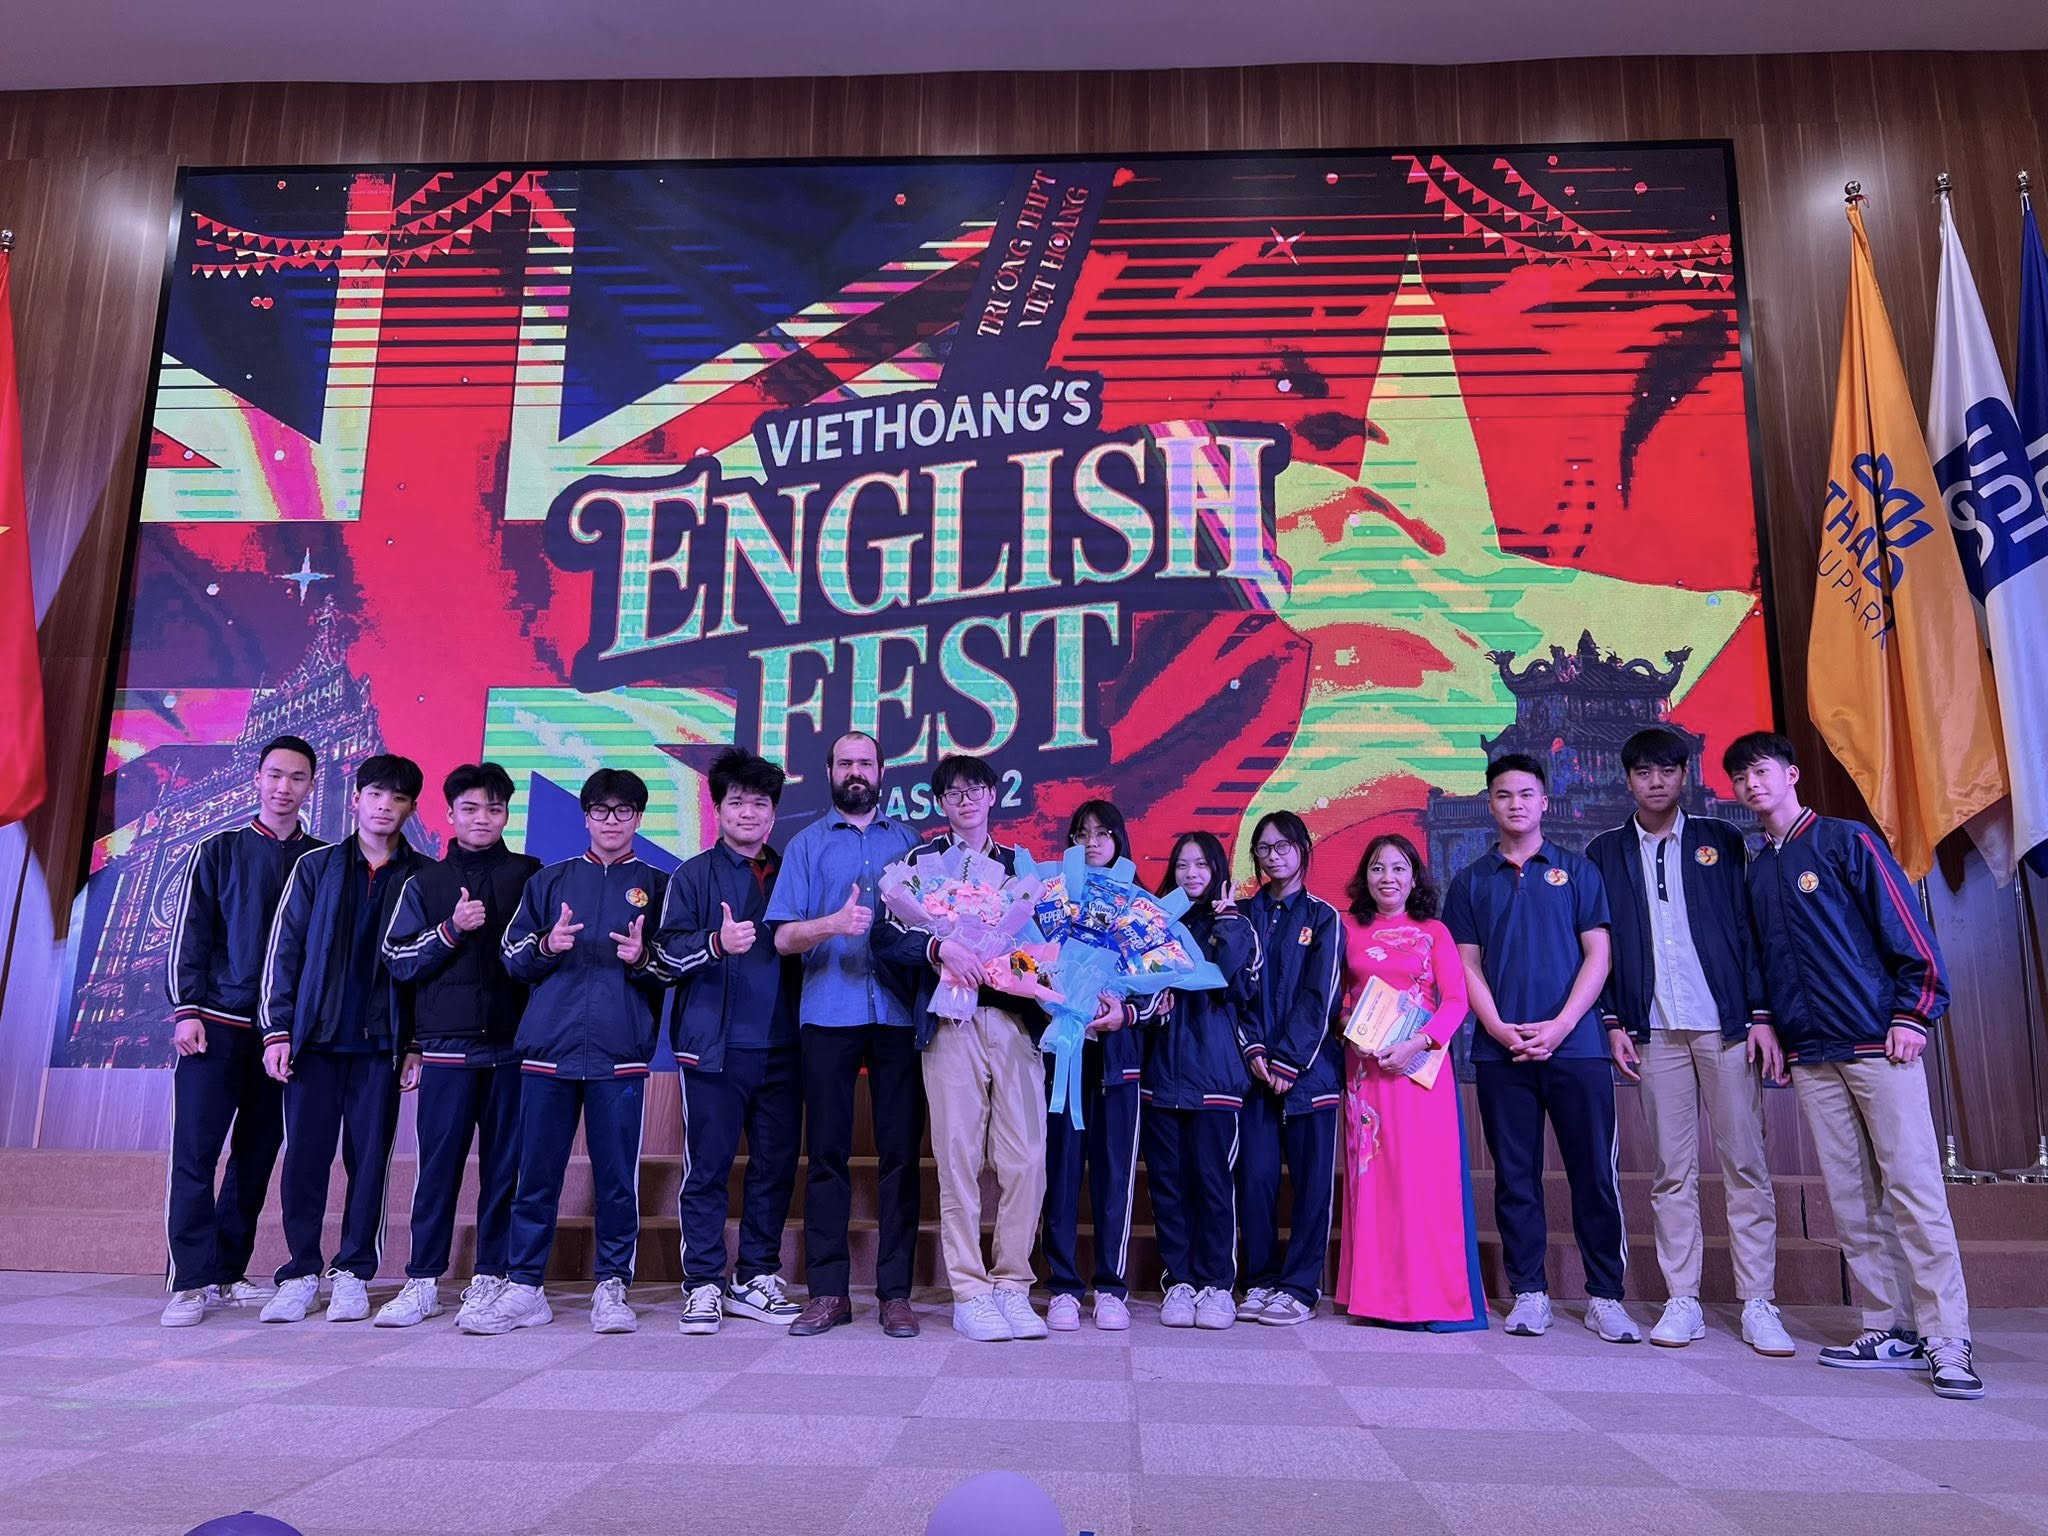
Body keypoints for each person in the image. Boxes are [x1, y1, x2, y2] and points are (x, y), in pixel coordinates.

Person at [1724, 731, 1982, 1400]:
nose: (1752, 785)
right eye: (1741, 778)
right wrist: (1766, 1021)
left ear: (1790, 774)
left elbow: (1907, 930)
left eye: (1761, 771)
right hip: (1812, 1056)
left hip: (1878, 1044)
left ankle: (1947, 1336)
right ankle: (1888, 1325)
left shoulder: (1846, 842)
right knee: (1852, 1197)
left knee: (1914, 1188)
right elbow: (1760, 958)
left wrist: (1912, 1013)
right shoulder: (1758, 868)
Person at [1586, 727, 1794, 1356]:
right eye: (1643, 772)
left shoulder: (1722, 840)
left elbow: (1751, 930)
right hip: (1653, 1032)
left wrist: (1760, 1014)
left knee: (1745, 1165)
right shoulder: (1604, 851)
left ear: (1684, 775)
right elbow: (1599, 945)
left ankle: (1758, 1301)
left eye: (1667, 770)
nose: (1656, 782)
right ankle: (1684, 1298)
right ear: (1627, 780)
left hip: (1726, 1028)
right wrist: (1614, 1022)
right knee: (1670, 1172)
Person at [462, 768, 677, 1336]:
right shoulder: (549, 881)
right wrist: (547, 945)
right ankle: (525, 1287)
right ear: (585, 817)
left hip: (620, 1053)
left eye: (624, 811)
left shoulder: (660, 885)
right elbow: (512, 957)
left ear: (639, 818)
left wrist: (641, 958)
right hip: (547, 1052)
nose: (612, 821)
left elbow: (674, 968)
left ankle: (612, 1285)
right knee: (535, 1177)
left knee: (616, 1180)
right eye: (601, 810)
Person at [1443, 754, 1636, 1342]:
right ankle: (1530, 1292)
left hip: (1577, 1048)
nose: (1516, 804)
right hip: (1501, 1054)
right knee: (1515, 1177)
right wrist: (1499, 1029)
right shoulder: (1471, 880)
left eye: (1526, 794)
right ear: (1491, 804)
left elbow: (1599, 956)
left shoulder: (1578, 872)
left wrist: (1561, 1025)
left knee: (1593, 1176)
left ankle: (1606, 1296)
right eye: (1504, 795)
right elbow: (1466, 967)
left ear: (1544, 802)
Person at [874, 753, 1048, 1343]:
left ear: (994, 796)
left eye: (976, 789)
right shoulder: (918, 864)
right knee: (958, 1159)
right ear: (941, 803)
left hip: (1013, 1021)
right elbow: (884, 939)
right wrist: (938, 948)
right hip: (949, 1022)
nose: (966, 800)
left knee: (1025, 1158)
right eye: (954, 793)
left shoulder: (1022, 867)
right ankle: (969, 1292)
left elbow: (1050, 944)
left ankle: (1013, 1284)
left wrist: (1013, 965)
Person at [160, 735, 327, 1327]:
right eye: (275, 775)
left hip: (283, 1036)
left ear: (311, 786)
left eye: (297, 778)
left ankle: (228, 1272)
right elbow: (191, 933)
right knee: (196, 1154)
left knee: (256, 1156)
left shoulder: (322, 861)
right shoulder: (218, 849)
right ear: (257, 779)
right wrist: (186, 1009)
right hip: (216, 1026)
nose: (284, 788)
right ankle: (189, 1280)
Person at [257, 753, 424, 1324]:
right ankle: (300, 1272)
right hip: (314, 1043)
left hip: (381, 1046)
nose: (384, 806)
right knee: (304, 1159)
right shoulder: (316, 867)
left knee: (369, 1162)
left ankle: (353, 1272)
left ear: (410, 808)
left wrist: (415, 1044)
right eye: (375, 794)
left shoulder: (422, 875)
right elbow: (284, 951)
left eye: (397, 798)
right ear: (355, 800)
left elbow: (426, 975)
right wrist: (276, 1031)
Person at [765, 730, 922, 1339]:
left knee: (901, 1156)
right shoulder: (805, 844)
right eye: (845, 763)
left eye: (866, 763)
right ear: (829, 772)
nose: (856, 772)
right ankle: (828, 1292)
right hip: (829, 1011)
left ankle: (895, 1294)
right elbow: (783, 937)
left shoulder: (910, 844)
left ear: (882, 772)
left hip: (899, 1014)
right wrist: (830, 924)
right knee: (826, 1154)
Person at [374, 762, 540, 1330]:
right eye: (470, 808)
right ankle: (422, 1280)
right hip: (446, 1050)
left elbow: (544, 955)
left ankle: (491, 1276)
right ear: (449, 814)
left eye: (494, 808)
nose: (482, 818)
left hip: (516, 1050)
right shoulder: (425, 882)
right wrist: (451, 929)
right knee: (438, 1170)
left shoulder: (531, 874)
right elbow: (397, 959)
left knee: (505, 1171)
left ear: (507, 814)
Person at [656, 747, 804, 1336]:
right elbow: (663, 958)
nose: (748, 812)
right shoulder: (692, 875)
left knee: (774, 1168)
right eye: (736, 801)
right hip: (713, 1049)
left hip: (785, 1048)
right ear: (717, 808)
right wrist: (715, 944)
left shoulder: (793, 870)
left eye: (760, 803)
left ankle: (756, 1276)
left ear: (773, 814)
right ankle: (702, 1283)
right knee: (708, 1170)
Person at [1332, 833, 1486, 1332]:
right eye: (1378, 868)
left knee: (1422, 1185)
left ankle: (1427, 1298)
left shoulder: (1434, 932)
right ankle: (1378, 1298)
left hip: (1420, 1075)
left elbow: (1456, 1002)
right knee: (1375, 1185)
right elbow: (1335, 997)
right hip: (1366, 1076)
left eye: (1398, 868)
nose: (1388, 878)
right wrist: (1349, 1031)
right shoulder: (1347, 929)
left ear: (1414, 877)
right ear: (1365, 876)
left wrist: (1417, 1043)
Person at [1039, 799, 1157, 1332]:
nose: (1091, 842)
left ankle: (1111, 1287)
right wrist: (1050, 994)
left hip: (1119, 1065)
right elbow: (1025, 960)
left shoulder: (1141, 903)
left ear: (1119, 840)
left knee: (1115, 1179)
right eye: (1081, 833)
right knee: (1060, 1173)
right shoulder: (1051, 899)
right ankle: (1063, 1287)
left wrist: (1124, 1012)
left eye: (1102, 832)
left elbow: (1164, 988)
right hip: (1064, 1056)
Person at [1234, 810, 1345, 1327]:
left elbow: (1321, 995)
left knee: (1312, 1184)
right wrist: (1256, 1051)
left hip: (1310, 1074)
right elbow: (1235, 990)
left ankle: (1301, 1287)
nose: (1273, 856)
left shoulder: (1324, 918)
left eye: (1283, 846)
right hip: (1254, 1075)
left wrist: (1289, 1059)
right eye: (1264, 848)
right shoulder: (1242, 915)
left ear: (1303, 849)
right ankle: (1258, 1279)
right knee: (1255, 1178)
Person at [1141, 831, 1256, 1330]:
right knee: (1168, 1185)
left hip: (1216, 1079)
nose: (1191, 874)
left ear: (1218, 872)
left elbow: (1235, 985)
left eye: (1202, 865)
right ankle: (1180, 1281)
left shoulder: (1238, 924)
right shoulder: (1153, 923)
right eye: (1183, 865)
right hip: (1160, 1077)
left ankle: (1216, 1284)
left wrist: (1227, 923)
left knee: (1213, 1183)